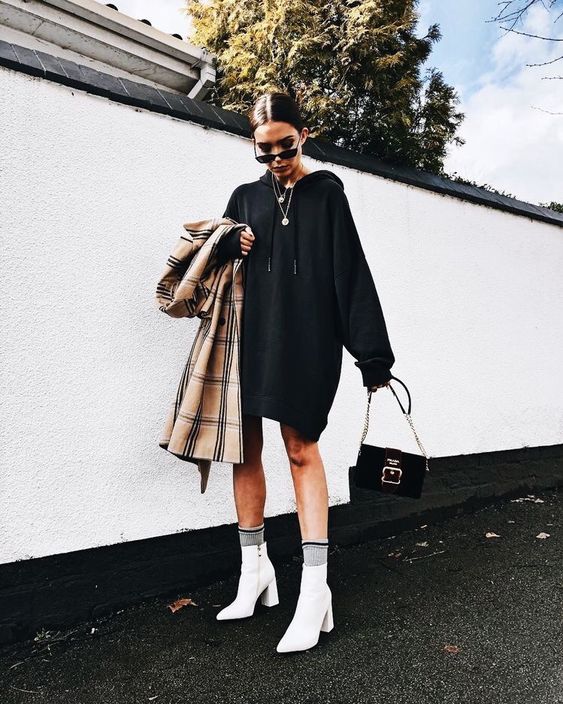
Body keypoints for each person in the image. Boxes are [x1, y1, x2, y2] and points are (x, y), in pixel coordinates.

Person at [214, 91, 395, 653]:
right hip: (251, 338)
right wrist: (229, 241)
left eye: (285, 147)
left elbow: (351, 273)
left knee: (300, 448)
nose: (275, 159)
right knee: (243, 448)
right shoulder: (244, 198)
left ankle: (315, 591)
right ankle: (254, 572)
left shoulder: (327, 193)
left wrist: (372, 354)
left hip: (308, 340)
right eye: (263, 151)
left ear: (304, 136)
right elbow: (216, 264)